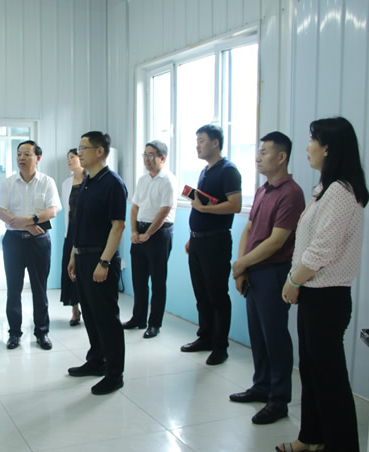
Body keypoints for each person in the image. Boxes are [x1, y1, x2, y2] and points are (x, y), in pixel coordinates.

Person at [275, 117, 369, 452]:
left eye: (312, 140)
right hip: (314, 293)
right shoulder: (325, 190)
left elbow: (321, 250)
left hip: (327, 296)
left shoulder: (341, 193)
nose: (307, 147)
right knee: (312, 372)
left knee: (330, 380)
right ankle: (312, 438)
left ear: (328, 148)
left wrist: (293, 281)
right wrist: (298, 281)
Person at [228, 132, 305, 424]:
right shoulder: (263, 189)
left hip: (274, 273)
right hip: (254, 270)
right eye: (258, 152)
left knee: (275, 337)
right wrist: (242, 267)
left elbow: (276, 241)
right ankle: (261, 386)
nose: (257, 157)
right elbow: (249, 230)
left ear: (281, 157)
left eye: (264, 152)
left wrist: (241, 264)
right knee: (258, 336)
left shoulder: (291, 193)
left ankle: (278, 399)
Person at [67, 131, 127, 395]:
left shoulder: (113, 183)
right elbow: (80, 223)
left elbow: (118, 226)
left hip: (100, 257)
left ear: (100, 151)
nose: (79, 153)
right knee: (90, 314)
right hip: (82, 256)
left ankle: (114, 374)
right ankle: (96, 361)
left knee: (106, 318)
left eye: (84, 148)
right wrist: (73, 255)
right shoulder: (88, 182)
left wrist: (104, 262)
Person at [181, 124, 242, 365]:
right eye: (197, 141)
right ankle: (205, 337)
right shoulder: (205, 171)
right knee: (202, 294)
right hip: (198, 241)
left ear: (216, 143)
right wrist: (192, 236)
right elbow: (202, 207)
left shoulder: (229, 170)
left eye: (202, 141)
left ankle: (220, 346)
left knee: (217, 294)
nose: (197, 145)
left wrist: (205, 209)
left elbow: (235, 205)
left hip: (216, 241)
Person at [0, 141, 61, 350]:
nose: (21, 158)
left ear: (37, 158)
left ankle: (42, 332)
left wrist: (30, 221)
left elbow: (52, 210)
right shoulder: (8, 183)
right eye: (19, 154)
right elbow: (1, 212)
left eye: (26, 154)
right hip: (13, 241)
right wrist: (26, 225)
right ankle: (14, 333)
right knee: (13, 289)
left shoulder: (47, 182)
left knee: (40, 289)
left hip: (39, 241)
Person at [122, 140, 176, 338]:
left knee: (158, 281)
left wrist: (148, 233)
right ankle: (138, 318)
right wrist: (134, 231)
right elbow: (135, 206)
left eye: (151, 155)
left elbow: (164, 211)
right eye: (145, 155)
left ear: (162, 158)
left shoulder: (168, 180)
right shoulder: (143, 179)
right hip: (140, 230)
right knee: (139, 280)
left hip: (159, 233)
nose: (147, 159)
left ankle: (154, 324)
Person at [60, 148, 84, 326]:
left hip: (86, 232)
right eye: (67, 158)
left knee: (85, 271)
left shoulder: (90, 180)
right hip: (71, 231)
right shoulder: (66, 183)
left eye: (72, 157)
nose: (69, 161)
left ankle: (88, 307)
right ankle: (75, 310)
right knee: (70, 271)